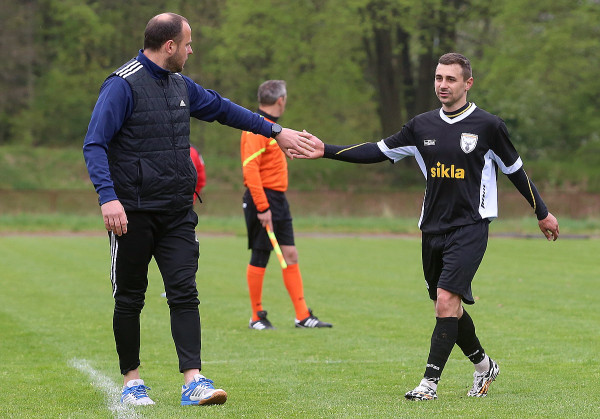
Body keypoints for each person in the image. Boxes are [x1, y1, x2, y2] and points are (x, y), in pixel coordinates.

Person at [295, 53, 559, 400]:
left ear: (468, 83)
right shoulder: (421, 126)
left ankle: (428, 384)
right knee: (448, 306)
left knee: (446, 301)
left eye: (450, 79)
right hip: (432, 228)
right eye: (438, 78)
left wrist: (542, 212)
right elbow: (377, 150)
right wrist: (326, 150)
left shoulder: (489, 126)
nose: (442, 85)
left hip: (471, 226)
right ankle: (484, 366)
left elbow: (516, 171)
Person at [82, 13, 314, 407]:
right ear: (169, 46)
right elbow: (95, 144)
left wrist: (276, 131)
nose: (192, 51)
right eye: (188, 44)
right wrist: (108, 197)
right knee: (130, 298)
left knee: (185, 293)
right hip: (132, 213)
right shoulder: (121, 85)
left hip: (177, 212)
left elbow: (225, 110)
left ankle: (193, 381)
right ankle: (132, 381)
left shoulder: (181, 85)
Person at [241, 80, 332, 330]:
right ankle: (256, 316)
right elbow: (250, 171)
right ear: (281, 101)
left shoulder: (274, 129)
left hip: (279, 200)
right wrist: (262, 207)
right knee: (260, 255)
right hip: (263, 199)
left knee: (290, 254)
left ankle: (302, 316)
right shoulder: (255, 128)